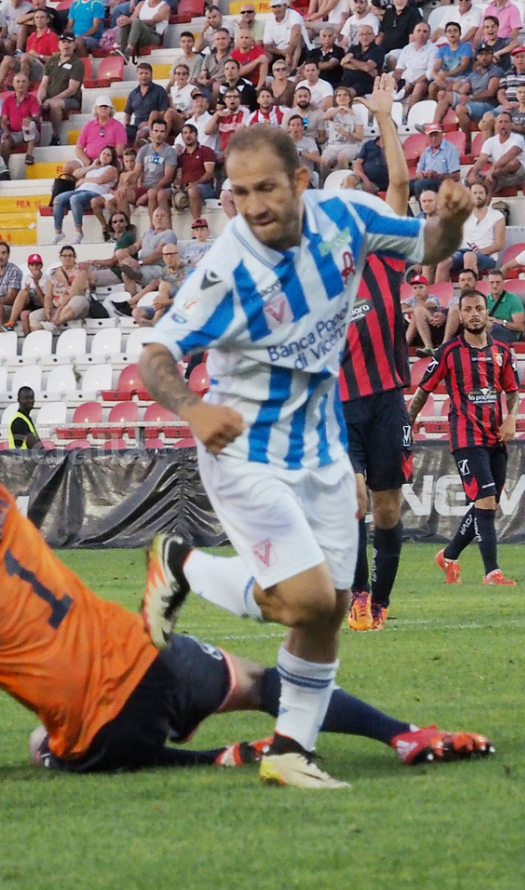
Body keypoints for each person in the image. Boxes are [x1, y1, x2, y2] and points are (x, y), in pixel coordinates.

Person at [0, 429, 494, 794]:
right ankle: (402, 732)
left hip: (106, 725)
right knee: (266, 682)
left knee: (51, 749)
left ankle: (213, 761)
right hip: (152, 654)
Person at [135, 122, 471, 788]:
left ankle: (291, 750)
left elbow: (430, 244)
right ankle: (186, 564)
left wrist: (454, 224)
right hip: (245, 450)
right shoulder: (227, 267)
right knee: (309, 601)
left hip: (320, 446)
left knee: (330, 608)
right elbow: (155, 356)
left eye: (266, 188)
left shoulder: (346, 218)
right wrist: (193, 409)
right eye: (239, 192)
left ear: (299, 182)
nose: (253, 205)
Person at [340, 77, 414, 634]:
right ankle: (358, 596)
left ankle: (381, 600)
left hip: (387, 397)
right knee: (353, 499)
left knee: (387, 508)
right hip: (339, 405)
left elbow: (402, 186)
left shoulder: (386, 258)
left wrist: (385, 119)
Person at [408, 289, 518, 587]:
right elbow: (422, 391)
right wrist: (407, 425)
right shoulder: (448, 352)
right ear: (460, 314)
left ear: (485, 313)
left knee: (489, 503)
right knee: (484, 499)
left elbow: (513, 391)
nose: (473, 313)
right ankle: (492, 572)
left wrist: (511, 417)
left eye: (478, 308)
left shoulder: (503, 352)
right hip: (466, 437)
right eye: (467, 309)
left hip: (496, 436)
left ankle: (449, 554)